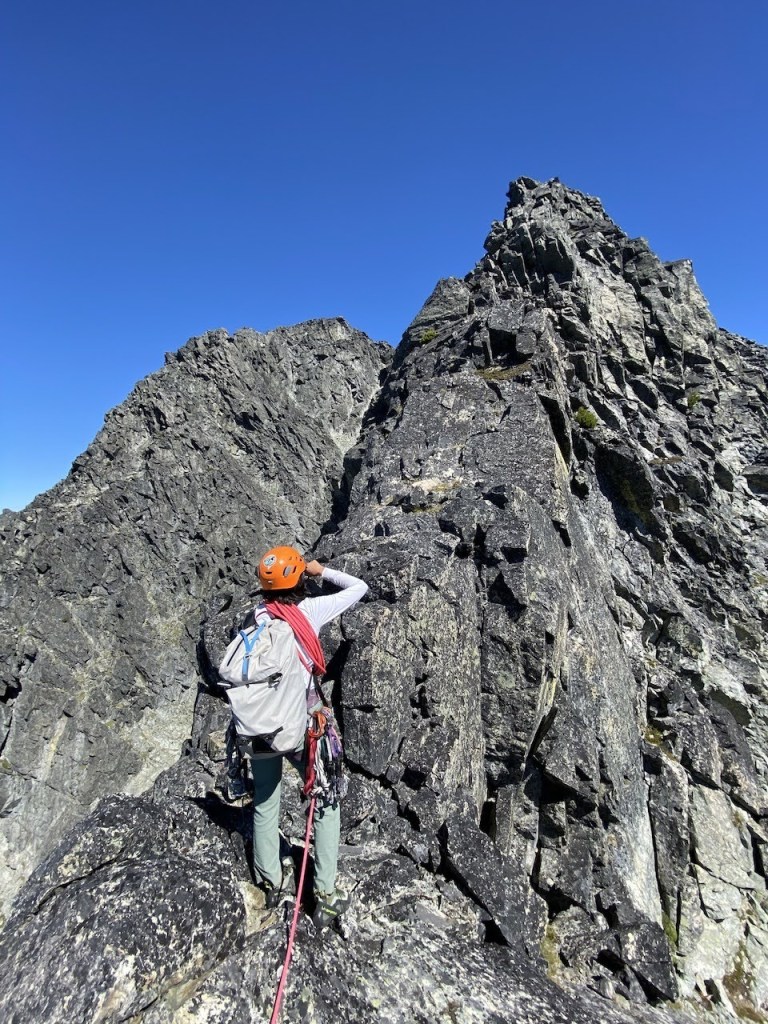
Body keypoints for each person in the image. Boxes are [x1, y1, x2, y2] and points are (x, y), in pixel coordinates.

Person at [247, 545, 367, 929]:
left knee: (266, 803)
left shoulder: (257, 616)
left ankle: (270, 880)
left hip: (258, 726)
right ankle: (326, 893)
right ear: (298, 579)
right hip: (298, 726)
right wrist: (321, 571)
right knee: (326, 800)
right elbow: (358, 587)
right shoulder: (307, 613)